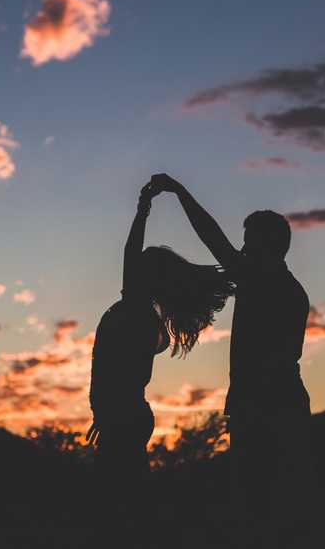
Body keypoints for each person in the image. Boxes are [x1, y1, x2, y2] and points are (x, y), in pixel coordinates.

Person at [148, 174, 314, 537]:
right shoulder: (286, 288)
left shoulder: (265, 282)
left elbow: (212, 238)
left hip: (264, 407)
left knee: (259, 511)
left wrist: (180, 191)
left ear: (268, 248)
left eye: (249, 245)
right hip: (278, 403)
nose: (242, 251)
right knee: (276, 511)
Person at [87, 181, 234, 525]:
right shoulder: (140, 312)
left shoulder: (136, 311)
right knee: (125, 503)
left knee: (118, 510)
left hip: (124, 415)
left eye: (139, 265)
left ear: (146, 277)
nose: (130, 266)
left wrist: (143, 210)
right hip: (125, 414)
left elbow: (116, 374)